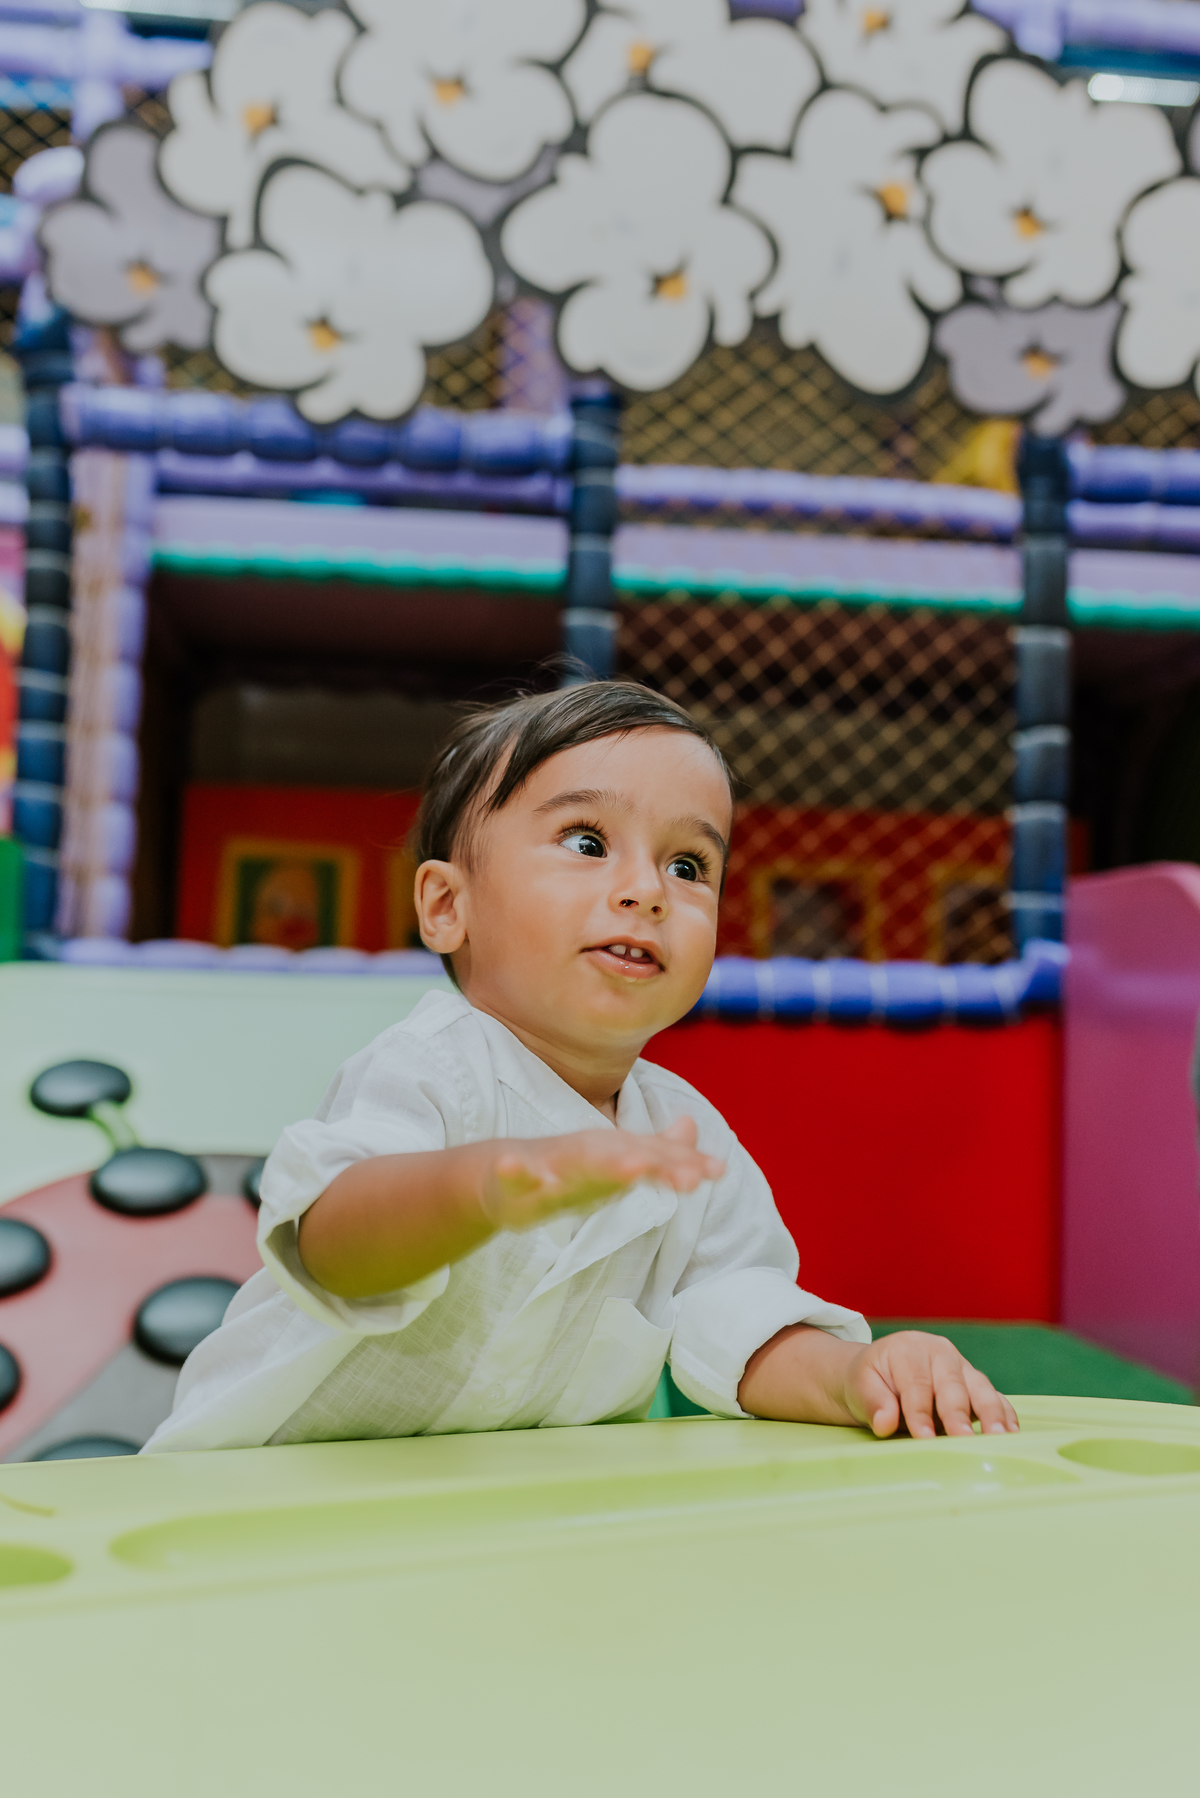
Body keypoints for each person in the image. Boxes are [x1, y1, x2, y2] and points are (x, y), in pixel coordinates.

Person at [144, 681, 1017, 1452]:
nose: (648, 890)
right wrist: (476, 1188)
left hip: (493, 1525)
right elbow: (334, 1244)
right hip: (266, 1485)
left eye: (688, 864)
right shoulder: (431, 1070)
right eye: (587, 842)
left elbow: (739, 1316)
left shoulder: (683, 1136)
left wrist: (856, 1374)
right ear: (448, 907)